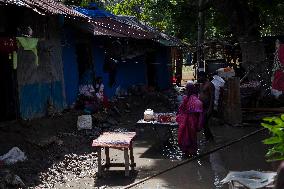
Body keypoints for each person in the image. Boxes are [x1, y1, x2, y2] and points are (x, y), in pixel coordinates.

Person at [176, 83, 204, 156]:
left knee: (189, 136)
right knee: (188, 136)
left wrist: (199, 124)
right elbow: (181, 109)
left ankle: (190, 152)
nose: (186, 91)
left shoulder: (194, 100)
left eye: (187, 89)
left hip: (190, 121)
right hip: (188, 120)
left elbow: (199, 113)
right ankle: (189, 152)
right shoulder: (187, 98)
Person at [198, 71, 215, 141]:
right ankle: (208, 138)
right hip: (202, 107)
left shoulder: (210, 84)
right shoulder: (201, 85)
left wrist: (210, 109)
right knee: (204, 124)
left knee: (205, 123)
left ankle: (210, 138)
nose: (199, 78)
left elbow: (212, 97)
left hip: (208, 107)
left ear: (204, 77)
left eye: (200, 76)